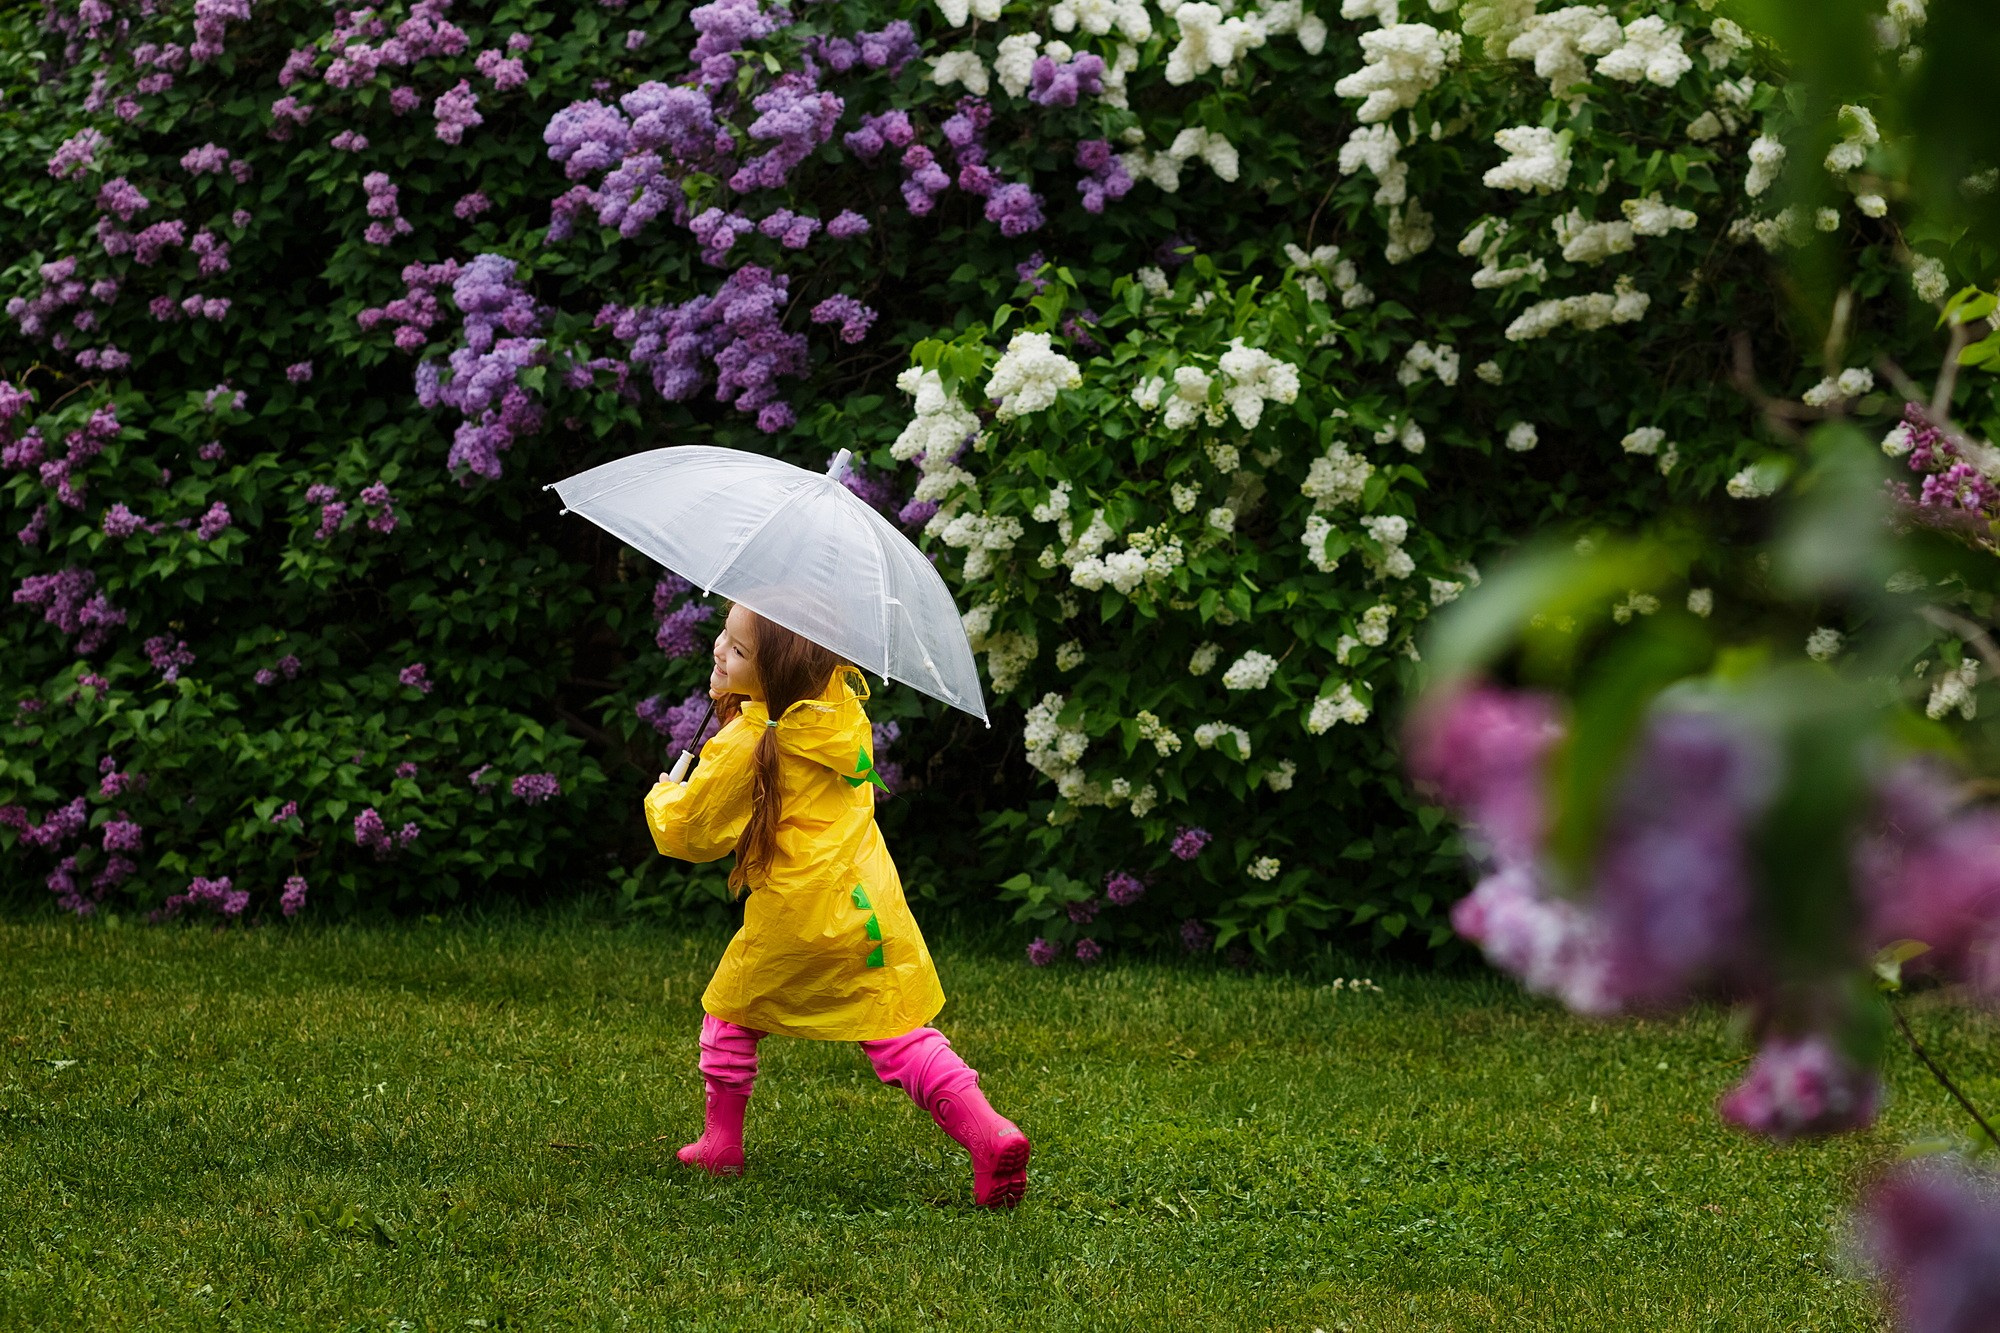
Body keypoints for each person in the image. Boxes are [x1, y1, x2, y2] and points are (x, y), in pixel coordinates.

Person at [644, 600, 1031, 1208]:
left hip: (797, 913)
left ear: (777, 674)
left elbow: (693, 834)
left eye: (740, 650)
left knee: (728, 1012)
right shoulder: (838, 709)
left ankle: (721, 1143)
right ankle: (988, 1132)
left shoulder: (750, 741)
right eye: (725, 635)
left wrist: (665, 797)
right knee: (898, 1031)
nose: (720, 649)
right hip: (868, 901)